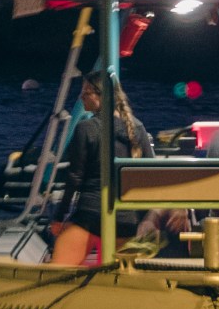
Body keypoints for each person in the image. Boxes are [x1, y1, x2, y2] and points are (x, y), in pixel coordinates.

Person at [48, 71, 155, 266]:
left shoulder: (86, 128)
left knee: (58, 273)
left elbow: (74, 178)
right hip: (127, 221)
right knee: (116, 281)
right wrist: (146, 218)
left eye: (86, 92)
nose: (81, 97)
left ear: (101, 96)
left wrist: (59, 216)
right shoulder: (138, 128)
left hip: (90, 216)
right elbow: (150, 174)